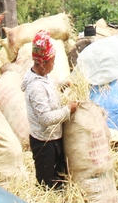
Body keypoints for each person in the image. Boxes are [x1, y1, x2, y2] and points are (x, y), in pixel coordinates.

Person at [22, 30, 78, 188]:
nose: (53, 65)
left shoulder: (44, 76)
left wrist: (62, 85)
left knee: (61, 179)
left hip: (55, 138)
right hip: (44, 142)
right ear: (42, 63)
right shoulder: (35, 87)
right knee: (47, 185)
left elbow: (50, 90)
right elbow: (45, 119)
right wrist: (68, 110)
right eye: (52, 62)